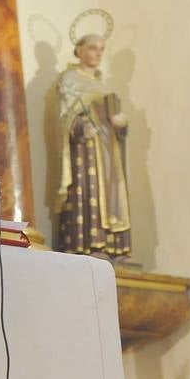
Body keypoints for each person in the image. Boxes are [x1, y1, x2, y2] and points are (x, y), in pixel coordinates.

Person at [54, 31, 131, 258]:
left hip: (109, 149)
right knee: (88, 188)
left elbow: (112, 116)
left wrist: (120, 126)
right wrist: (80, 127)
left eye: (101, 49)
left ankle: (112, 245)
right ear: (79, 50)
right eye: (92, 48)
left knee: (112, 191)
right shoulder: (69, 80)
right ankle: (88, 242)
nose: (97, 53)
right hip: (84, 149)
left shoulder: (103, 85)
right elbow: (63, 117)